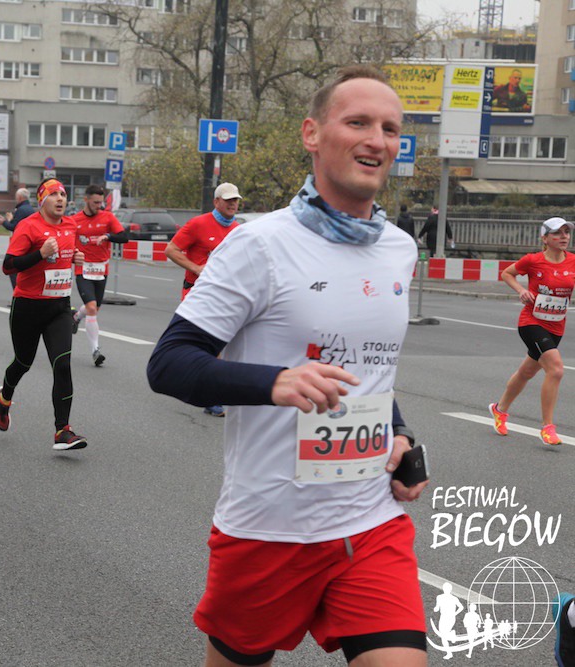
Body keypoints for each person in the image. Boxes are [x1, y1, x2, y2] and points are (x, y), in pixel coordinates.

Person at [147, 66, 427, 667]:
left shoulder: (399, 249)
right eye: (358, 122)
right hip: (269, 528)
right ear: (312, 134)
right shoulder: (260, 244)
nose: (376, 140)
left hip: (371, 521)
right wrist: (274, 382)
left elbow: (367, 366)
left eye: (390, 129)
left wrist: (399, 431)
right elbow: (168, 363)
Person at [0, 177, 88, 450]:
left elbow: (65, 254)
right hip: (28, 307)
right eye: (54, 194)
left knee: (63, 364)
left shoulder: (70, 225)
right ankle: (5, 398)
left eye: (63, 195)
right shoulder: (28, 226)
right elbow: (9, 266)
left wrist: (74, 257)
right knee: (23, 363)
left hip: (59, 307)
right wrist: (40, 254)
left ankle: (63, 431)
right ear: (42, 200)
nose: (60, 199)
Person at [488, 217, 575, 446]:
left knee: (526, 372)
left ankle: (499, 409)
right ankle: (548, 427)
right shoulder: (533, 260)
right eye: (557, 233)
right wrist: (521, 290)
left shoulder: (573, 262)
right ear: (544, 238)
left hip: (556, 326)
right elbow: (507, 273)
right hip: (531, 322)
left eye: (566, 232)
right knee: (555, 369)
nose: (564, 236)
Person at [165, 181, 242, 418]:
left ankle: (204, 382)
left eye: (235, 200)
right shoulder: (198, 224)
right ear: (216, 201)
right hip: (197, 292)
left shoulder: (238, 229)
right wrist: (197, 268)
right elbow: (171, 250)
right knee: (211, 343)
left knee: (223, 345)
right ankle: (212, 397)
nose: (233, 204)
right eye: (228, 200)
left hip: (226, 294)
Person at [70, 184, 128, 366]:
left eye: (101, 202)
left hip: (101, 270)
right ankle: (95, 351)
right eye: (95, 202)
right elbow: (66, 241)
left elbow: (124, 237)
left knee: (94, 309)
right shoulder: (74, 220)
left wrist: (108, 236)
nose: (99, 205)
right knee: (92, 307)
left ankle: (76, 317)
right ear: (86, 200)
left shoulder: (108, 217)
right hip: (83, 269)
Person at [4, 187, 36, 289]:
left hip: (21, 244)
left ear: (19, 197)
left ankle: (18, 292)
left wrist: (4, 222)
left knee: (12, 269)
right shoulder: (31, 209)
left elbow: (14, 227)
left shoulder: (21, 210)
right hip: (30, 243)